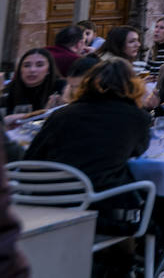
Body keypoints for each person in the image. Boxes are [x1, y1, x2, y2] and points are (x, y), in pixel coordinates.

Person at [26, 59, 151, 255]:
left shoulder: (62, 115)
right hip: (99, 207)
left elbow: (32, 157)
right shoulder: (138, 118)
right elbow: (137, 151)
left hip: (47, 201)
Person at [2, 49, 60, 125]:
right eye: (26, 65)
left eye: (39, 65)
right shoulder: (8, 90)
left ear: (48, 70)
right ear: (20, 70)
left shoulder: (59, 88)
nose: (32, 70)